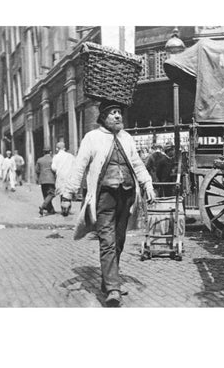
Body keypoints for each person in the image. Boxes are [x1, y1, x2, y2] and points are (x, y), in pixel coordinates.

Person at [62, 100, 155, 307]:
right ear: (103, 117)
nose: (117, 116)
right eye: (112, 113)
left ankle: (108, 280)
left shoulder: (127, 138)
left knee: (119, 240)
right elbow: (79, 166)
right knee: (107, 241)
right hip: (104, 197)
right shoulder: (92, 138)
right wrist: (67, 194)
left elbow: (137, 163)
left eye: (119, 112)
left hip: (127, 196)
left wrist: (147, 184)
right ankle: (113, 288)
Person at [51, 141, 75, 216]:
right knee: (68, 191)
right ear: (64, 148)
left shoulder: (56, 157)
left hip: (60, 176)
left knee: (61, 192)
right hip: (69, 176)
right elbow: (75, 165)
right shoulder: (70, 156)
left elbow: (53, 168)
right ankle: (68, 206)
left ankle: (63, 208)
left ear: (57, 148)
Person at [35, 146, 56, 216]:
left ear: (43, 152)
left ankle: (51, 210)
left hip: (42, 180)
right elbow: (55, 169)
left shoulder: (39, 160)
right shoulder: (53, 159)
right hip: (51, 179)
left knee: (45, 195)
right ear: (50, 152)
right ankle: (43, 206)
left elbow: (37, 170)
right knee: (52, 194)